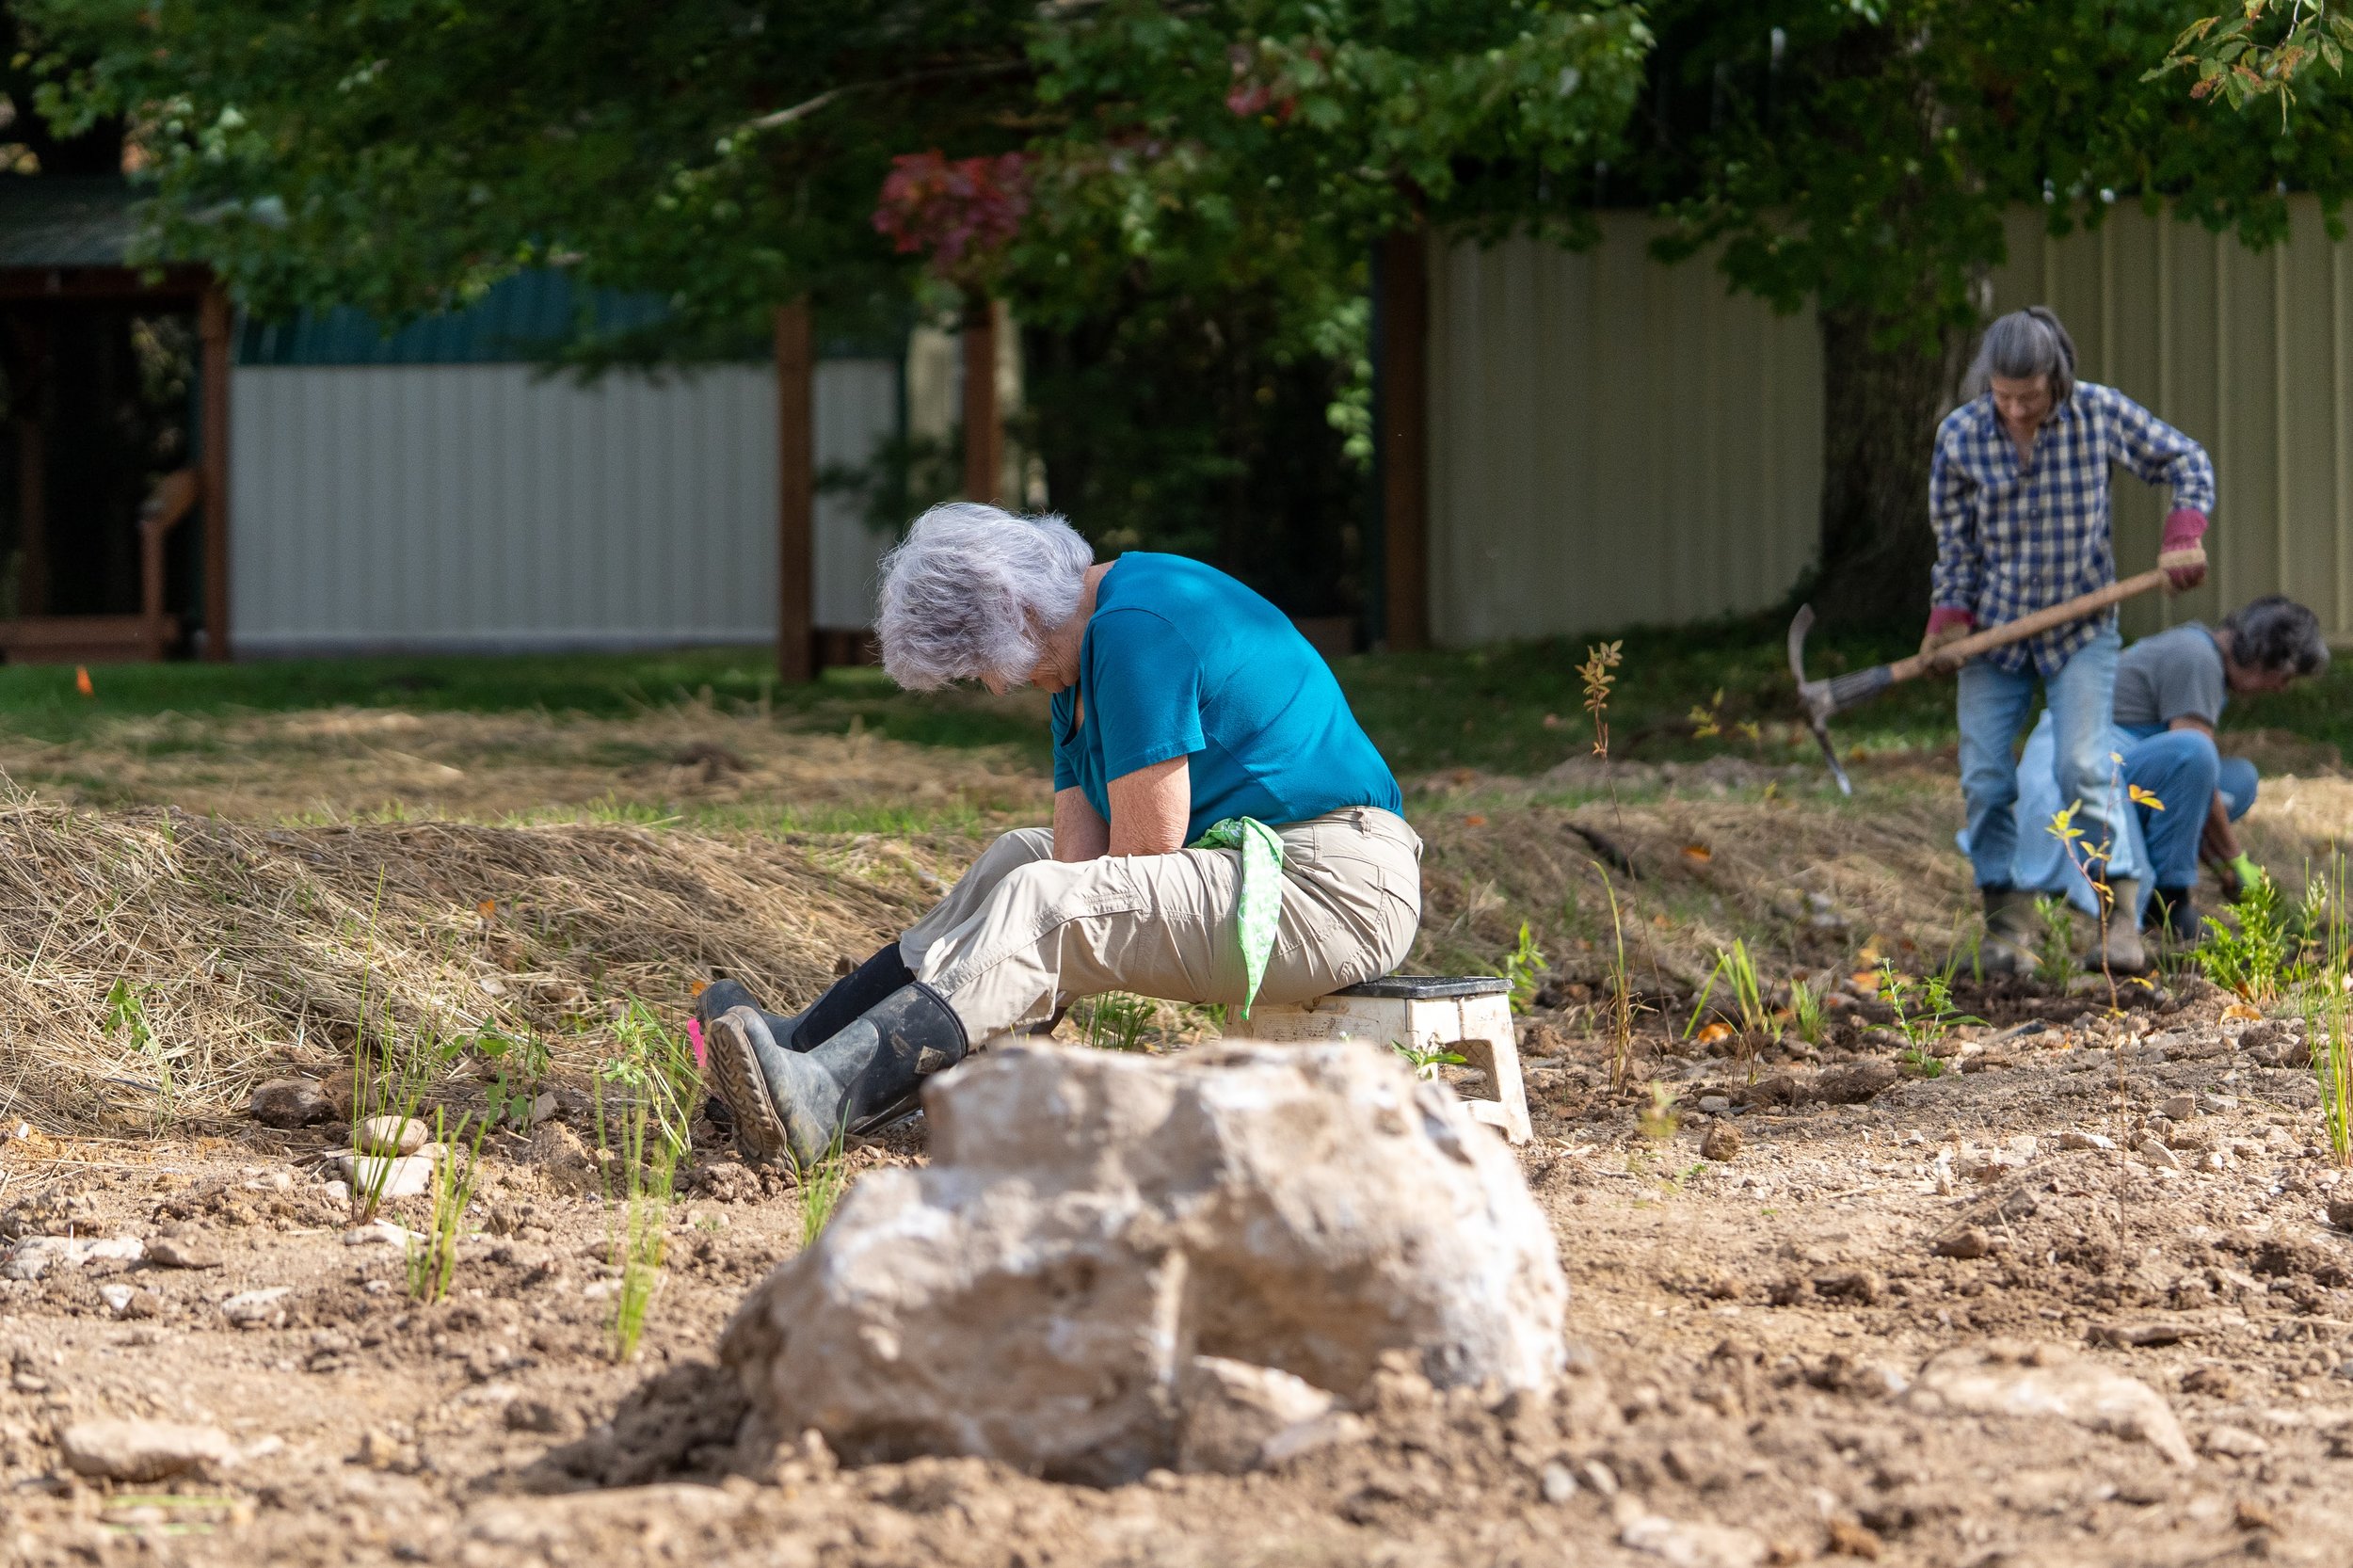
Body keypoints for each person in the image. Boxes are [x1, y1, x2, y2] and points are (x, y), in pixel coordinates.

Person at [696, 503, 1423, 1166]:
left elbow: (1137, 860)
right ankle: (807, 1047)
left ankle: (826, 1097)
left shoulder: (1137, 630)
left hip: (1332, 888)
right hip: (1263, 867)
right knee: (1021, 858)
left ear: (1018, 612)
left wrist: (1018, 973)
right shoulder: (1077, 660)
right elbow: (1078, 860)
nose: (994, 686)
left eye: (982, 662)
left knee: (1048, 896)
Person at [1925, 306, 2216, 977]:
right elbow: (1955, 542)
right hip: (1996, 634)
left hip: (2081, 633)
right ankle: (2006, 933)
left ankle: (2117, 922)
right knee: (1986, 777)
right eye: (2004, 397)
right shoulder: (1962, 436)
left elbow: (2188, 460)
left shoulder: (2098, 415)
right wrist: (1949, 617)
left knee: (2081, 769)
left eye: (2030, 397)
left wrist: (2183, 533)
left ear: (2057, 380)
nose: (2018, 412)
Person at [1980, 597, 2326, 943]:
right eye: (2284, 678)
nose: (2281, 689)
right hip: (2070, 786)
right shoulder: (2197, 659)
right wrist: (2235, 859)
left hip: (2111, 768)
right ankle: (2171, 903)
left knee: (2238, 781)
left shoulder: (2198, 651)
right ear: (2263, 657)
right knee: (2196, 752)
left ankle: (2161, 891)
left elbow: (2192, 792)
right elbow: (2192, 764)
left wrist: (2222, 865)